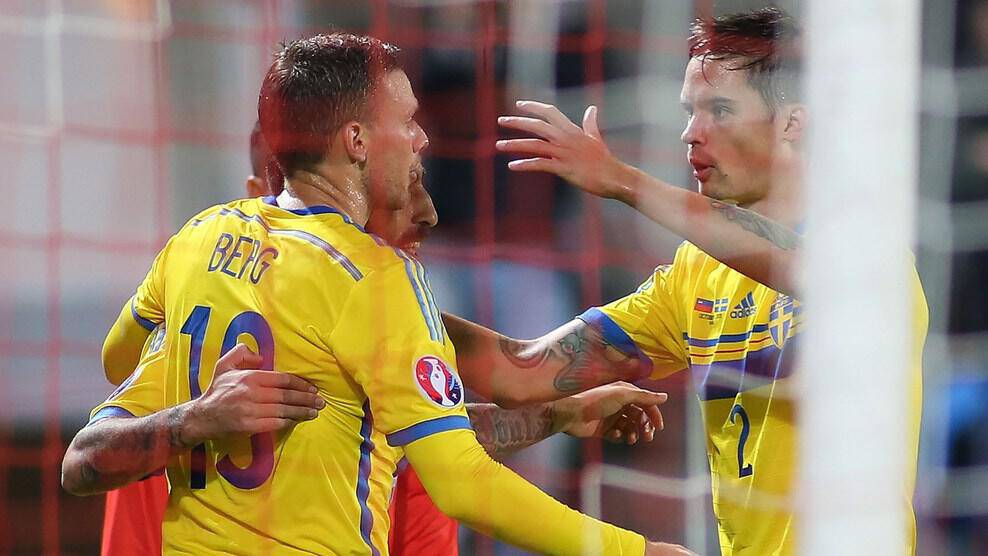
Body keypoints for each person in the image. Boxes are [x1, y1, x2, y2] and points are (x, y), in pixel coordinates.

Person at [62, 33, 690, 555]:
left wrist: (200, 406)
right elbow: (462, 483)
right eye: (407, 122)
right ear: (357, 141)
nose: (421, 139)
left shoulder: (198, 239)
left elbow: (119, 361)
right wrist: (635, 550)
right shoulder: (376, 280)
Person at [448, 7, 926, 555]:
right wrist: (389, 295)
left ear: (793, 121)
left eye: (719, 109)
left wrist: (623, 180)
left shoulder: (865, 246)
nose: (690, 133)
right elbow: (520, 374)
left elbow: (815, 273)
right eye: (689, 111)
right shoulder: (695, 274)